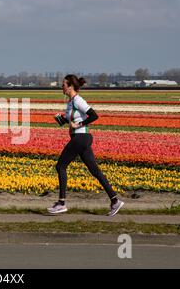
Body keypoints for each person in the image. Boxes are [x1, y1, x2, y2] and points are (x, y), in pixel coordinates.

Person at [48, 74, 124, 216]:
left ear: (70, 86)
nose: (61, 86)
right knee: (95, 171)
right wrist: (61, 119)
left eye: (63, 84)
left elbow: (94, 115)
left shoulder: (78, 100)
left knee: (60, 166)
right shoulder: (70, 102)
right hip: (80, 138)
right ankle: (115, 201)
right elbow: (70, 122)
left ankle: (61, 203)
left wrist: (79, 124)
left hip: (81, 138)